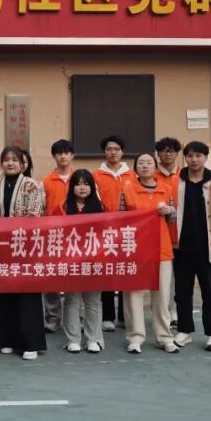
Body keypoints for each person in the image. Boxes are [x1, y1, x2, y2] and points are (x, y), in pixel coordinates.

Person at [0, 146, 47, 360]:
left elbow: (34, 214)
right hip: (0, 247)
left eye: (14, 160)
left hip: (25, 246)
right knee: (2, 293)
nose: (10, 163)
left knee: (26, 294)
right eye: (6, 159)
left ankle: (29, 343)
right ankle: (4, 339)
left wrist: (11, 229)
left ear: (22, 164)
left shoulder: (32, 185)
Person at [173, 141, 211, 352]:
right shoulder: (176, 182)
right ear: (185, 158)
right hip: (182, 248)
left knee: (210, 293)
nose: (194, 159)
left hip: (208, 249)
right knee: (182, 292)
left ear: (206, 157)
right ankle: (184, 331)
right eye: (190, 155)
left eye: (198, 155)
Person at [121, 153, 179, 354]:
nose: (145, 166)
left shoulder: (166, 188)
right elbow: (121, 218)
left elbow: (173, 218)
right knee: (134, 294)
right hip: (135, 248)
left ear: (155, 167)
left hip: (162, 249)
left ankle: (164, 337)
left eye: (149, 162)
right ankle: (135, 337)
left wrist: (169, 211)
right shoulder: (127, 189)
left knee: (162, 295)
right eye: (141, 163)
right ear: (135, 168)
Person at [52, 169, 106, 354]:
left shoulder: (101, 207)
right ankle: (73, 339)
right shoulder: (62, 207)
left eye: (87, 184)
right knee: (72, 300)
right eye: (78, 183)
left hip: (94, 261)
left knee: (93, 301)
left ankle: (93, 339)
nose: (82, 188)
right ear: (72, 187)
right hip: (71, 261)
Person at [93, 135, 133, 332]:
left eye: (117, 149)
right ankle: (107, 316)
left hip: (128, 231)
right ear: (104, 152)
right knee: (107, 272)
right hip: (104, 230)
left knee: (125, 272)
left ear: (122, 152)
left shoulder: (132, 175)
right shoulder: (95, 175)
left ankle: (124, 316)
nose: (113, 152)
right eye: (109, 149)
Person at [40, 139, 75, 333]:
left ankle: (74, 316)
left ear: (72, 155)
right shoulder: (46, 181)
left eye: (66, 152)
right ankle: (52, 318)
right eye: (59, 153)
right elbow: (42, 208)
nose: (63, 156)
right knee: (51, 277)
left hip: (75, 236)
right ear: (54, 156)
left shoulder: (80, 179)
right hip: (52, 235)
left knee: (74, 276)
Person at [154, 136, 183, 327]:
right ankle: (162, 312)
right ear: (158, 154)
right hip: (159, 234)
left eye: (171, 151)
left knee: (180, 276)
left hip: (181, 233)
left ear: (177, 153)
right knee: (163, 278)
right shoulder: (151, 175)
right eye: (163, 151)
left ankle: (175, 312)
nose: (167, 154)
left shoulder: (184, 174)